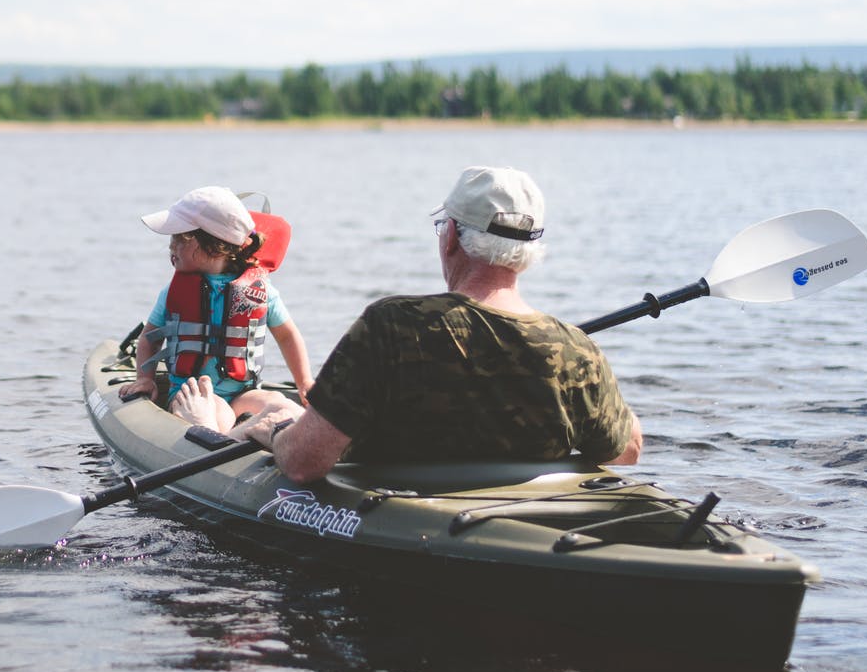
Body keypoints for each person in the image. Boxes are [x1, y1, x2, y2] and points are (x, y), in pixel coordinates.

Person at [179, 165, 641, 482]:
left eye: (444, 226)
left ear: (453, 237)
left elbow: (303, 464)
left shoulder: (393, 326)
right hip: (522, 517)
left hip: (401, 520)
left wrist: (272, 429)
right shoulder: (576, 349)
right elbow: (627, 449)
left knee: (273, 416)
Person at [121, 185, 312, 433]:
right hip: (192, 394)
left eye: (178, 239)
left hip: (243, 394)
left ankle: (315, 435)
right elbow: (149, 339)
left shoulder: (260, 292)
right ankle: (236, 440)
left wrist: (304, 381)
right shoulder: (173, 292)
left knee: (278, 403)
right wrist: (145, 379)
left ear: (211, 247)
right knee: (217, 412)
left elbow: (287, 336)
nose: (171, 247)